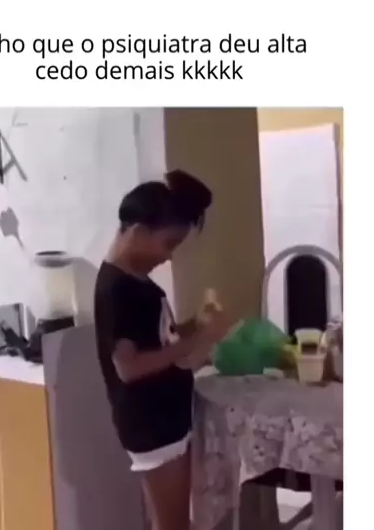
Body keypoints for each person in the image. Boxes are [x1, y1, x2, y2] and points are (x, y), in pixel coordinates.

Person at [94, 169, 231, 530]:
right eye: (168, 244)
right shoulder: (119, 290)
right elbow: (129, 366)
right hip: (152, 427)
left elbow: (157, 339)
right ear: (139, 232)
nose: (168, 258)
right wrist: (200, 340)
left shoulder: (134, 283)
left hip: (163, 421)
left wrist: (194, 324)